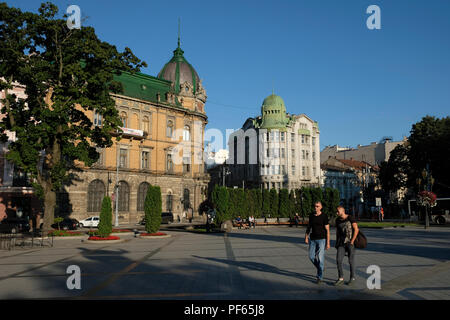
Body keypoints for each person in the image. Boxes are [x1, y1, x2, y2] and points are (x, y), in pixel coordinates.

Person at [305, 201, 330, 284]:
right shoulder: (312, 215)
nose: (315, 207)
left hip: (321, 239)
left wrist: (328, 242)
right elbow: (309, 227)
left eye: (317, 206)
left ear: (321, 207)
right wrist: (306, 237)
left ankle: (320, 277)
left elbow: (327, 230)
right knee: (311, 256)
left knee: (320, 258)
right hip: (312, 239)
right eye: (315, 206)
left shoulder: (324, 216)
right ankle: (320, 268)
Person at [334, 206, 359, 286]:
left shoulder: (350, 218)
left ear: (342, 210)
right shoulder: (337, 220)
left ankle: (352, 278)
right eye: (336, 211)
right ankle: (340, 278)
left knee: (351, 261)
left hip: (350, 243)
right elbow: (338, 232)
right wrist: (337, 243)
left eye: (338, 211)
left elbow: (356, 229)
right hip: (341, 244)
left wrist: (352, 241)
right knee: (338, 260)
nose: (337, 213)